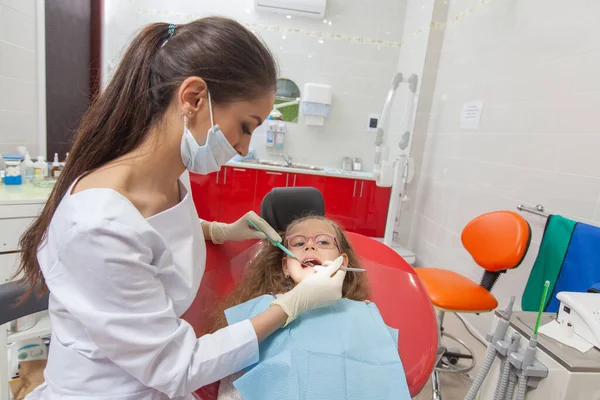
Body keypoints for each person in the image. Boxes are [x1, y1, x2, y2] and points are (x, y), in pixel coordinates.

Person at [17, 17, 346, 400]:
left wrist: (217, 230)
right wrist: (291, 305)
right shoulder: (97, 225)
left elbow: (153, 232)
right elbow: (179, 367)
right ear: (193, 99)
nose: (243, 148)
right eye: (245, 125)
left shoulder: (173, 175)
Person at [208, 215, 374, 399]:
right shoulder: (259, 311)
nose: (310, 246)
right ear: (286, 266)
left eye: (324, 242)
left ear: (342, 263)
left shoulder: (360, 313)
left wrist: (365, 319)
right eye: (298, 243)